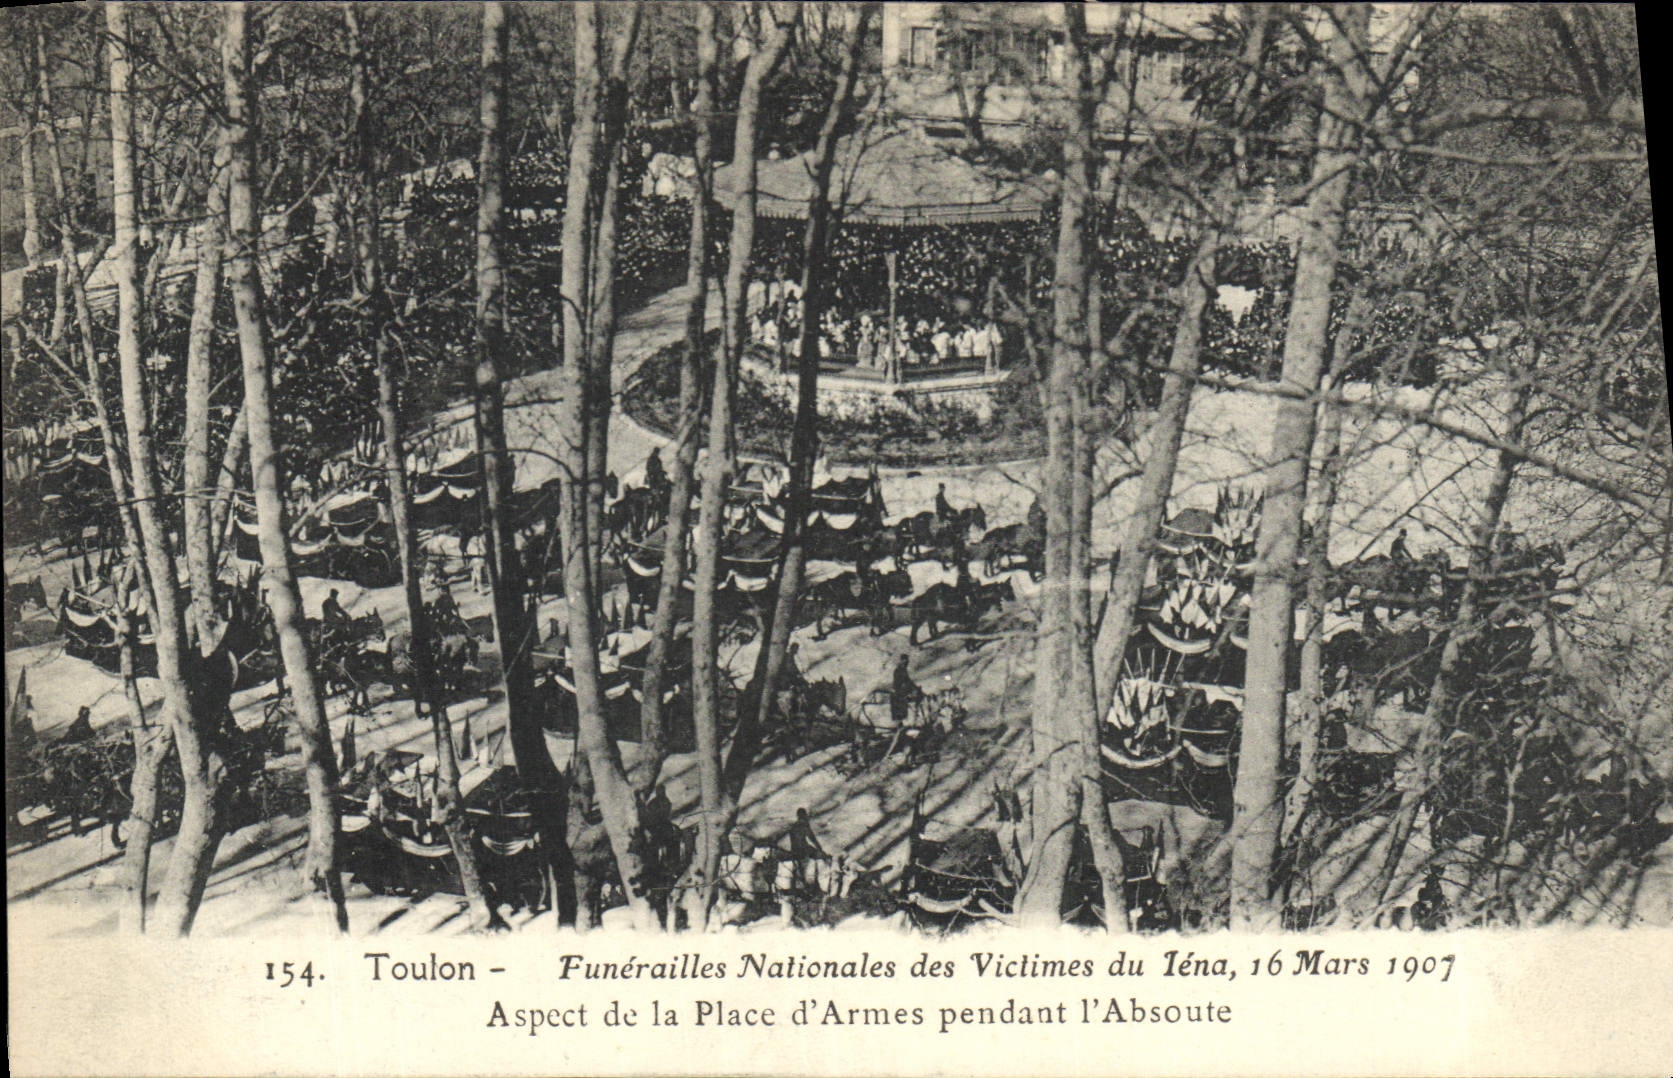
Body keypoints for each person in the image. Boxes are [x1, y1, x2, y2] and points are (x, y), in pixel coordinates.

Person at [786, 807, 826, 892]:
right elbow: (811, 837)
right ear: (804, 815)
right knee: (818, 856)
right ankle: (816, 883)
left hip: (794, 850)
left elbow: (792, 840)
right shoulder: (804, 825)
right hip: (803, 848)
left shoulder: (793, 826)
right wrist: (819, 848)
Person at [890, 654, 922, 727]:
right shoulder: (897, 670)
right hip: (899, 690)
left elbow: (908, 680)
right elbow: (897, 683)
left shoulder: (904, 670)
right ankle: (902, 720)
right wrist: (905, 687)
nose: (906, 663)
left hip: (903, 689)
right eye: (905, 661)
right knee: (902, 702)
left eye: (907, 662)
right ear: (901, 661)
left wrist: (915, 687)